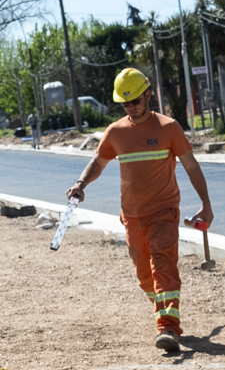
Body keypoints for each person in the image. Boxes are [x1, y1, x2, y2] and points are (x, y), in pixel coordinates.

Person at [66, 67, 213, 354]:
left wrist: (206, 205)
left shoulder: (168, 128)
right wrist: (81, 183)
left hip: (164, 211)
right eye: (125, 103)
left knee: (163, 265)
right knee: (144, 274)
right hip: (132, 216)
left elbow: (191, 166)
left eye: (135, 101)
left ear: (148, 95)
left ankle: (168, 327)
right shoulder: (116, 132)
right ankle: (162, 307)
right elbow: (98, 162)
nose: (131, 107)